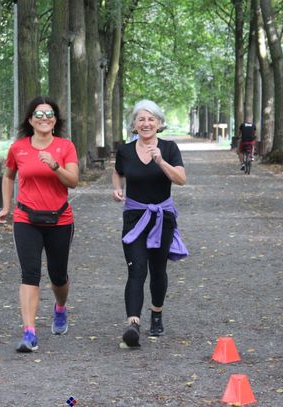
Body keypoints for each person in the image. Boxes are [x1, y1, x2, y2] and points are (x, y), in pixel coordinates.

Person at [0, 96, 79, 352]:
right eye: (39, 115)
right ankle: (29, 332)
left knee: (58, 276)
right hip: (26, 219)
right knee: (30, 274)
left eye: (49, 114)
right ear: (30, 120)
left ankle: (60, 308)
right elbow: (8, 176)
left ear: (55, 120)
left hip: (59, 219)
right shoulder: (18, 148)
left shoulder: (65, 147)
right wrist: (7, 206)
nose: (44, 118)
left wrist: (55, 166)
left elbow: (73, 181)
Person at [111, 99, 188, 348]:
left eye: (151, 119)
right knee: (136, 269)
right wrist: (116, 188)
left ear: (159, 123)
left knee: (157, 270)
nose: (146, 124)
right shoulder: (125, 150)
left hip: (161, 218)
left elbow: (181, 179)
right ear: (134, 124)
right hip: (134, 218)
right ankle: (133, 323)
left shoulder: (169, 148)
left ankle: (156, 313)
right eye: (141, 119)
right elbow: (118, 171)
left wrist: (160, 162)